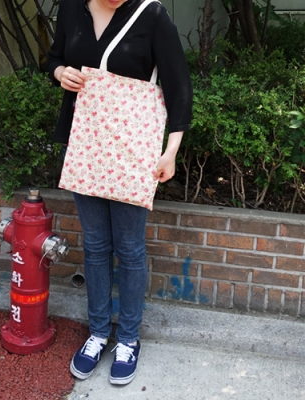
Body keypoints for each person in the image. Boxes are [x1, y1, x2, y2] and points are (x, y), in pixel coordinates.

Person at [47, 0, 193, 386]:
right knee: (96, 245)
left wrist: (171, 151)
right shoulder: (71, 9)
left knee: (129, 249)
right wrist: (61, 72)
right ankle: (98, 332)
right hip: (85, 145)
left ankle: (128, 338)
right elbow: (54, 58)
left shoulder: (151, 15)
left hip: (133, 152)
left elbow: (178, 85)